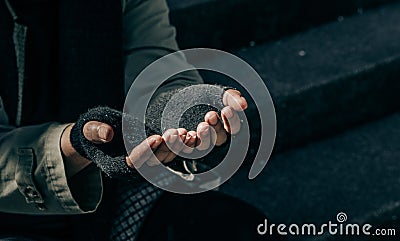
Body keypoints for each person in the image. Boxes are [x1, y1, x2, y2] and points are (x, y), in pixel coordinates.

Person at [0, 0, 276, 240]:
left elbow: (153, 65)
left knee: (237, 226)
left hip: (117, 197)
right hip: (13, 219)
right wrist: (76, 145)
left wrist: (184, 109)